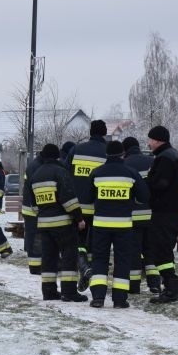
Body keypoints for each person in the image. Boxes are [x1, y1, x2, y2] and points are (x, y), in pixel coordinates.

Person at [88, 140, 150, 308]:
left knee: (100, 259)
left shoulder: (97, 173)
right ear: (123, 154)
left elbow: (87, 198)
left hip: (100, 224)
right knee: (123, 260)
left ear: (106, 154)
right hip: (124, 226)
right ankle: (120, 299)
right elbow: (144, 197)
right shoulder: (131, 173)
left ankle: (98, 297)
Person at [24, 143, 87, 302]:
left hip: (44, 225)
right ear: (58, 156)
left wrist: (44, 216)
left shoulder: (36, 175)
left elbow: (34, 205)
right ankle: (69, 292)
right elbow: (69, 200)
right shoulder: (60, 172)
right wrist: (79, 218)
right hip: (63, 224)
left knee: (48, 258)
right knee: (68, 255)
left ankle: (49, 291)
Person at [65, 120, 108, 290]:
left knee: (77, 241)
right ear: (104, 133)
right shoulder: (107, 153)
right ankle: (90, 271)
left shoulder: (76, 150)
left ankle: (84, 268)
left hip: (78, 208)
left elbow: (65, 175)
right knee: (95, 245)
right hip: (99, 208)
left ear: (90, 132)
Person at [146, 125, 178, 304]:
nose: (149, 143)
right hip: (172, 211)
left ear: (157, 140)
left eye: (150, 140)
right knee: (162, 250)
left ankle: (171, 288)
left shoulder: (164, 158)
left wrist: (145, 184)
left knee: (161, 250)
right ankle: (169, 286)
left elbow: (161, 183)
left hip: (165, 212)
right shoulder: (172, 155)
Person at [122, 136, 160, 294]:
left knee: (134, 252)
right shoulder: (152, 162)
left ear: (125, 150)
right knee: (151, 251)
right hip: (151, 214)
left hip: (133, 216)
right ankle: (155, 284)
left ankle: (134, 285)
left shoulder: (124, 165)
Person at [21, 147, 47, 276]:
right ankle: (35, 267)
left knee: (33, 237)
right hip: (33, 210)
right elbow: (34, 188)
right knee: (35, 238)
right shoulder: (36, 167)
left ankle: (36, 265)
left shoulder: (35, 165)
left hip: (30, 208)